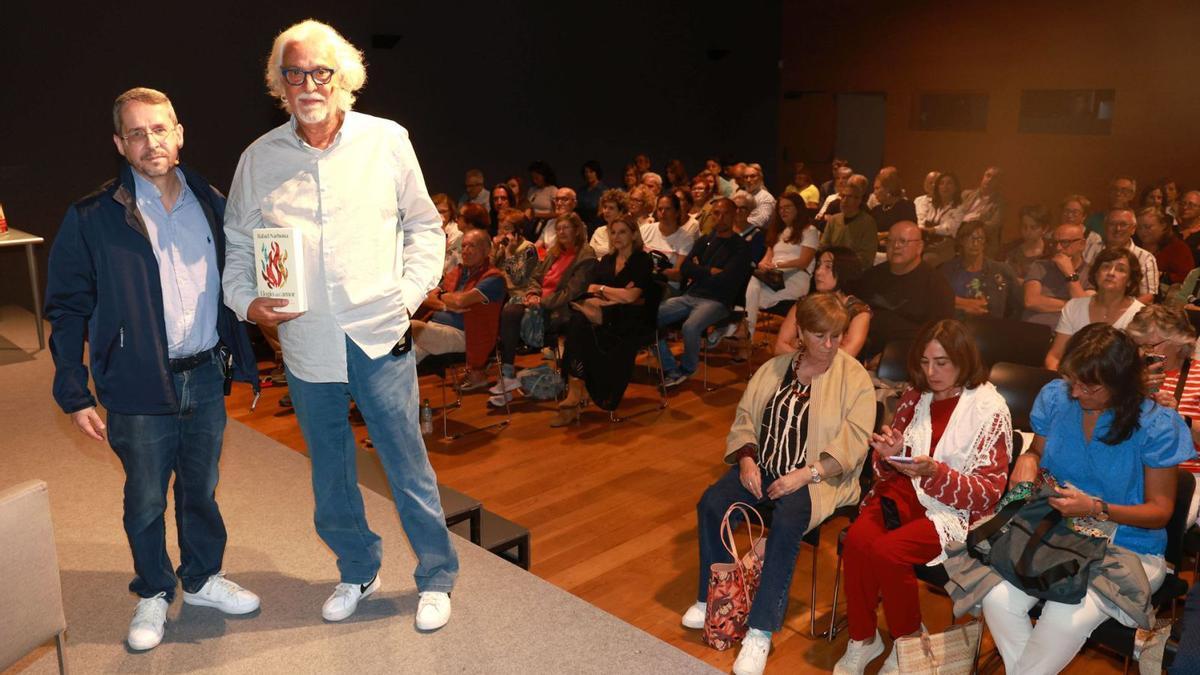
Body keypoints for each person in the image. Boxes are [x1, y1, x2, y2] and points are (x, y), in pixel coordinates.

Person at [222, 20, 458, 630]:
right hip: (306, 347)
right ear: (280, 83)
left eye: (319, 71)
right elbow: (238, 245)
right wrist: (248, 303)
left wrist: (408, 295)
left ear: (344, 76)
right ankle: (357, 569)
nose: (308, 84)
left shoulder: (387, 141)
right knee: (330, 472)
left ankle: (436, 575)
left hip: (380, 335)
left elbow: (424, 227)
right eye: (294, 73)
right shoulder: (259, 159)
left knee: (407, 464)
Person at [45, 87, 261, 651]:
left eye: (160, 129)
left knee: (201, 488)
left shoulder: (212, 202)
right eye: (137, 133)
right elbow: (67, 307)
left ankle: (202, 577)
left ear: (179, 133)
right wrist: (74, 387)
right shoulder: (93, 216)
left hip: (205, 374)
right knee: (145, 496)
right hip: (138, 380)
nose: (151, 142)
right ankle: (155, 590)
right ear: (120, 143)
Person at [983, 324, 1193, 675]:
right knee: (996, 599)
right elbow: (1038, 450)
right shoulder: (1057, 396)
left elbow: (1159, 513)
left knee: (1062, 618)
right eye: (1073, 380)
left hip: (1129, 546)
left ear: (1122, 383)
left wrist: (1097, 508)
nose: (1077, 392)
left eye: (1090, 386)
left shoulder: (1156, 425)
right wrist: (1027, 459)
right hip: (1058, 532)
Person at [683, 293, 876, 675]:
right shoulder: (775, 368)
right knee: (711, 503)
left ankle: (760, 630)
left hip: (816, 478)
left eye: (837, 336)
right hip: (764, 468)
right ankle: (714, 597)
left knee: (788, 525)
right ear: (801, 332)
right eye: (821, 336)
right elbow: (744, 418)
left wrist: (804, 475)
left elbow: (854, 441)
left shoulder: (853, 377)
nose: (831, 345)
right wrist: (746, 459)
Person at [835, 320, 1010, 675]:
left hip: (952, 511)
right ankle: (864, 638)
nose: (932, 372)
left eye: (942, 362)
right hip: (904, 492)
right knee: (856, 540)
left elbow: (989, 494)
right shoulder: (916, 397)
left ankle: (910, 642)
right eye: (926, 362)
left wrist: (935, 473)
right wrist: (888, 455)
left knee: (887, 552)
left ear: (963, 359)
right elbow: (888, 468)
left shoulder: (990, 409)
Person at [555, 218, 661, 426]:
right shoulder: (607, 260)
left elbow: (630, 298)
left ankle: (576, 388)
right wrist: (617, 292)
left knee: (580, 323)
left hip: (632, 318)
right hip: (606, 311)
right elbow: (593, 287)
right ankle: (576, 387)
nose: (616, 237)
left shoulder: (642, 260)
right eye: (613, 233)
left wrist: (604, 290)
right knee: (579, 321)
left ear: (633, 234)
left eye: (622, 232)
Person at [492, 213, 596, 404]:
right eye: (558, 228)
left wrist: (542, 302)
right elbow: (535, 278)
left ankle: (508, 380)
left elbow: (571, 292)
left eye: (566, 228)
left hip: (561, 309)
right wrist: (533, 294)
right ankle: (507, 374)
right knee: (509, 310)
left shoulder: (586, 255)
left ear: (577, 230)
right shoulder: (554, 253)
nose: (561, 232)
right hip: (538, 303)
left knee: (511, 311)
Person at [655, 198, 750, 387]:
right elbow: (686, 269)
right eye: (716, 213)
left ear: (734, 215)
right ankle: (670, 366)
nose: (720, 218)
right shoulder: (704, 240)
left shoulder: (741, 247)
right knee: (648, 317)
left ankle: (687, 369)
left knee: (690, 327)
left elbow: (727, 279)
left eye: (725, 214)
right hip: (691, 295)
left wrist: (700, 270)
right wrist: (709, 271)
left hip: (719, 301)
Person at [411, 230, 506, 390]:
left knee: (408, 326)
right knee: (398, 361)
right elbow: (426, 297)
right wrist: (446, 304)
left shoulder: (493, 279)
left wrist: (442, 296)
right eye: (464, 246)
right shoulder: (456, 272)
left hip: (464, 336)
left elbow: (461, 301)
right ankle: (391, 408)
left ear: (486, 250)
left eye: (472, 246)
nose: (466, 250)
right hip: (434, 331)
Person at [856, 221, 955, 361]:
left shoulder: (936, 285)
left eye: (903, 241)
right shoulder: (871, 276)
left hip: (910, 358)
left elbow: (938, 335)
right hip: (863, 352)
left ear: (919, 247)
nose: (895, 246)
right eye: (890, 241)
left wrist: (891, 356)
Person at [737, 193, 819, 360]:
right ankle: (745, 338)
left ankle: (742, 337)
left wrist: (776, 265)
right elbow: (767, 257)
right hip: (772, 278)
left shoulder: (810, 231)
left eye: (788, 207)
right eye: (780, 208)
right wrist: (764, 264)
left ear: (798, 208)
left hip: (796, 277)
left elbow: (804, 262)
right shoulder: (778, 232)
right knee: (747, 291)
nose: (783, 211)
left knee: (746, 299)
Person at [1044, 247, 1145, 370]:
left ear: (1129, 280)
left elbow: (1141, 367)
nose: (1111, 273)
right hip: (1073, 381)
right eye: (1106, 267)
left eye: (1120, 269)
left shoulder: (1140, 314)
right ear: (1096, 274)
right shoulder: (1074, 306)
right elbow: (1055, 356)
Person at [775, 247, 870, 359]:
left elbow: (844, 358)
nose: (818, 272)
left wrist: (802, 344)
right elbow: (779, 348)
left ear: (844, 270)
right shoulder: (804, 303)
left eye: (828, 267)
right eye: (818, 265)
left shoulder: (858, 311)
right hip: (800, 370)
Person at [1127, 304, 1200, 449]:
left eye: (1149, 345)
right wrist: (1137, 396)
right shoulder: (1127, 374)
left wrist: (1178, 417)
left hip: (1188, 467)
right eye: (1138, 346)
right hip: (1138, 466)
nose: (1142, 353)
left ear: (1178, 343)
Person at [938, 220, 1022, 320]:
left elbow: (1017, 306)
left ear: (985, 242)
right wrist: (962, 311)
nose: (975, 243)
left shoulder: (1002, 270)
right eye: (969, 238)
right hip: (956, 328)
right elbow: (938, 305)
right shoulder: (947, 270)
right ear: (961, 241)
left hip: (993, 328)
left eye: (980, 238)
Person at [1082, 207, 1159, 304]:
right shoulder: (1089, 249)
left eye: (1123, 225)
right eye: (1112, 224)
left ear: (1133, 229)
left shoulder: (1146, 258)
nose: (1117, 229)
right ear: (1105, 227)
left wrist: (1120, 313)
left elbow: (1148, 297)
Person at [1022, 223, 1092, 327]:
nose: (1058, 248)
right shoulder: (1040, 266)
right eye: (1055, 242)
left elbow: (1083, 308)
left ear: (1082, 244)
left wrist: (1069, 273)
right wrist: (1071, 305)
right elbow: (1031, 301)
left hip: (1068, 334)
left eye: (1065, 242)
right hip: (1033, 330)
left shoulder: (1091, 273)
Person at [820, 176, 878, 271]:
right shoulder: (834, 220)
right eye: (843, 196)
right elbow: (823, 246)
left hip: (854, 272)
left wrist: (840, 263)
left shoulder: (868, 223)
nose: (844, 201)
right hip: (831, 268)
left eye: (849, 197)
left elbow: (866, 258)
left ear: (859, 200)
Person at [641, 193, 698, 279]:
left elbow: (677, 274)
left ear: (677, 212)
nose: (663, 213)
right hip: (642, 281)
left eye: (668, 209)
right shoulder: (645, 229)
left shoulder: (686, 239)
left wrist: (649, 269)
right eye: (660, 209)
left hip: (667, 286)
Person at [1136, 206, 1194, 286]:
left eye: (1148, 227)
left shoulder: (1178, 248)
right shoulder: (1133, 244)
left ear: (1163, 226)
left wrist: (1162, 276)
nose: (1142, 232)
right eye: (1139, 227)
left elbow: (1188, 278)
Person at [918, 172, 965, 268]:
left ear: (956, 187)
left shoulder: (960, 207)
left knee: (926, 260)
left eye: (949, 183)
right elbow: (921, 220)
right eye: (942, 183)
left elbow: (950, 228)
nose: (945, 186)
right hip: (926, 241)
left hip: (945, 245)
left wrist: (932, 230)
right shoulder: (930, 204)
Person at [491, 209, 540, 301]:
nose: (502, 233)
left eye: (506, 229)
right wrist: (494, 249)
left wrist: (509, 252)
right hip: (500, 292)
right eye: (499, 228)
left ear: (518, 230)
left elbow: (518, 279)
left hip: (519, 296)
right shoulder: (501, 247)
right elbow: (488, 271)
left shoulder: (528, 248)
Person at [960, 166, 1006, 258]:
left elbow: (993, 225)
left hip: (984, 240)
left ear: (999, 183)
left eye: (994, 178)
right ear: (983, 177)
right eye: (988, 176)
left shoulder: (1000, 202)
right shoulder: (966, 195)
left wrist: (972, 226)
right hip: (959, 235)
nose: (989, 180)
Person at [1003, 204, 1050, 281]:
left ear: (1045, 229)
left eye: (1033, 228)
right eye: (1024, 227)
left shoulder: (1050, 254)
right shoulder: (1009, 249)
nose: (1028, 232)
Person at [870, 167, 917, 234]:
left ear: (888, 189)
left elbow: (908, 231)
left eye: (877, 188)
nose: (874, 192)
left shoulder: (906, 207)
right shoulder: (876, 210)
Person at [589, 188, 631, 257]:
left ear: (621, 211)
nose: (606, 211)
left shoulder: (626, 232)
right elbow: (590, 255)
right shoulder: (599, 231)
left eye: (611, 208)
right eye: (605, 207)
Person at [533, 187, 577, 252]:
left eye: (564, 199)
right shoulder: (550, 222)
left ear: (574, 204)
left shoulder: (578, 225)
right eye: (556, 199)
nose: (559, 203)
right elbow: (538, 245)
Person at [432, 193, 462, 278]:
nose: (439, 215)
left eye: (443, 211)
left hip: (448, 275)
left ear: (451, 212)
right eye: (436, 211)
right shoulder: (426, 230)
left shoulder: (457, 232)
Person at [742, 163, 776, 231]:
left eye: (752, 176)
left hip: (759, 236)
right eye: (746, 177)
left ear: (760, 178)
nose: (748, 180)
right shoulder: (740, 195)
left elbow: (760, 221)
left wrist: (739, 223)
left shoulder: (766, 197)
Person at [578, 160, 607, 230]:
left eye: (591, 172)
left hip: (596, 225)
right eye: (586, 172)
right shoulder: (582, 190)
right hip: (581, 224)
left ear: (596, 173)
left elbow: (602, 213)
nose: (588, 174)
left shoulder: (603, 191)